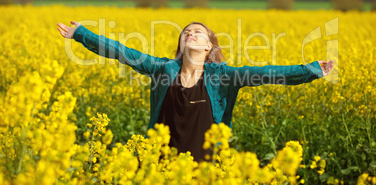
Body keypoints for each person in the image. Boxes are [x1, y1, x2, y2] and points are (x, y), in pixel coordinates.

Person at [57, 20, 334, 162]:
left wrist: (311, 70)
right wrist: (81, 34)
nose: (190, 33)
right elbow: (122, 52)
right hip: (160, 166)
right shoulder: (161, 69)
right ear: (180, 44)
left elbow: (270, 74)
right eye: (186, 32)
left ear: (208, 48)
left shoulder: (224, 77)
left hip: (206, 169)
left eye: (198, 33)